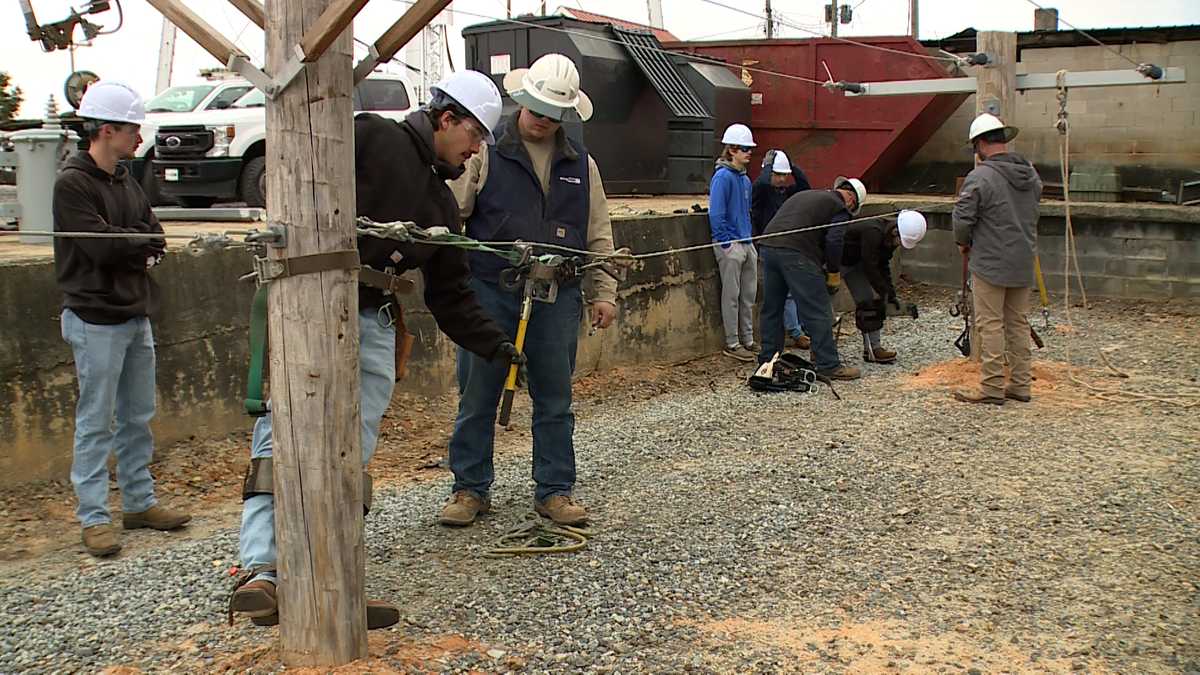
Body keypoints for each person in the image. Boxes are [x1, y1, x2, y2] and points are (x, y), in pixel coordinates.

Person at [230, 71, 517, 628]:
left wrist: (496, 346)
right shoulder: (368, 136)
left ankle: (333, 577)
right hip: (308, 306)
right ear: (446, 117)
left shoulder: (439, 202)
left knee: (348, 455)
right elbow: (290, 172)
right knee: (281, 437)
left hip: (375, 322)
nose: (476, 148)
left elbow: (452, 294)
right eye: (474, 135)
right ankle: (262, 571)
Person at [444, 53, 617, 528]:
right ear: (522, 100)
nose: (542, 119)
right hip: (490, 289)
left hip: (557, 295)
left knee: (555, 396)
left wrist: (604, 292)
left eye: (552, 113)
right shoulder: (484, 151)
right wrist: (451, 284)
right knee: (478, 392)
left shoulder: (582, 165)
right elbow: (452, 219)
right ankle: (470, 488)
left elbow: (598, 233)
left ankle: (555, 490)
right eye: (536, 108)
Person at [52, 81, 191, 558]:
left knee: (136, 416)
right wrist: (137, 245)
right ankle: (94, 516)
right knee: (97, 421)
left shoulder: (127, 180)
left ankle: (138, 501)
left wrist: (132, 242)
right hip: (95, 318)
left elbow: (151, 235)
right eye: (133, 128)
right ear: (107, 129)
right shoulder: (72, 184)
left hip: (134, 313)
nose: (139, 137)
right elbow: (101, 246)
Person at [952, 113, 1043, 405]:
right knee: (1017, 322)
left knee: (990, 324)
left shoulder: (980, 176)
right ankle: (1020, 384)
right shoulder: (1030, 173)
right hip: (1023, 258)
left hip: (991, 260)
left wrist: (963, 243)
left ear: (980, 143)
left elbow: (963, 218)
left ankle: (991, 388)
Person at [756, 176, 868, 381]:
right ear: (852, 200)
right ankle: (828, 364)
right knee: (817, 308)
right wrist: (833, 272)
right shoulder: (839, 207)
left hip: (768, 248)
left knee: (772, 307)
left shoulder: (806, 195)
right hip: (797, 253)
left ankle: (768, 361)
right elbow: (834, 240)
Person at [841, 210, 927, 364]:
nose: (899, 245)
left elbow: (882, 264)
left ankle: (873, 349)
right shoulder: (873, 232)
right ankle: (821, 354)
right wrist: (883, 291)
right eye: (900, 241)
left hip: (856, 260)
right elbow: (870, 266)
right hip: (836, 259)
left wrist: (890, 293)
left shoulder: (889, 237)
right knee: (822, 306)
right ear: (895, 232)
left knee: (868, 302)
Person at [751, 149, 812, 349]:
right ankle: (794, 332)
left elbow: (804, 186)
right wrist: (770, 167)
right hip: (768, 246)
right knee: (779, 295)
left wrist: (791, 166)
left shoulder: (786, 193)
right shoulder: (762, 192)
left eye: (784, 175)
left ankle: (800, 329)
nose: (781, 179)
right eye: (778, 175)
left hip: (788, 245)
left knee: (795, 291)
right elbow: (760, 183)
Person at [710, 123, 758, 361]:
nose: (748, 152)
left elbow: (745, 212)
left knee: (748, 293)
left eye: (749, 148)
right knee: (732, 295)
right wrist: (727, 244)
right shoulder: (723, 178)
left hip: (746, 241)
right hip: (732, 243)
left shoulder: (744, 180)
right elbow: (716, 214)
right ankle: (732, 342)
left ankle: (747, 339)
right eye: (743, 148)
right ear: (732, 150)